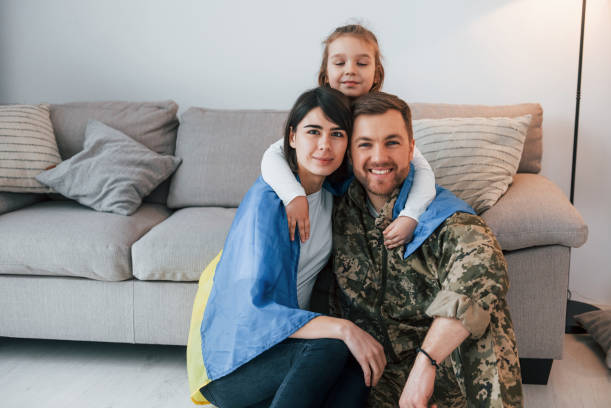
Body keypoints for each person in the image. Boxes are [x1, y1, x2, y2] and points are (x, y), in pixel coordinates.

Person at [187, 87, 384, 408]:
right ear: (291, 137)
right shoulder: (268, 204)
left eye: (337, 134)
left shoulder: (331, 191)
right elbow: (255, 308)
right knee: (334, 344)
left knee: (360, 367)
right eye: (313, 132)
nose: (324, 145)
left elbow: (389, 167)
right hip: (234, 365)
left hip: (284, 353)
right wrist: (344, 328)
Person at [329, 91, 524, 407]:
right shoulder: (334, 207)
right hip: (371, 372)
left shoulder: (443, 215)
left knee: (484, 311)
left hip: (441, 368)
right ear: (350, 153)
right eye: (365, 144)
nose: (379, 156)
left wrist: (427, 361)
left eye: (392, 142)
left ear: (411, 149)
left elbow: (483, 263)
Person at [261, 24, 436, 249]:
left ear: (376, 74)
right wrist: (294, 196)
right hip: (336, 214)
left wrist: (411, 215)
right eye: (340, 63)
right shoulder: (320, 112)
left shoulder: (381, 117)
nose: (351, 70)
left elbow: (422, 170)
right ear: (326, 74)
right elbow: (274, 153)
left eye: (361, 63)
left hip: (381, 208)